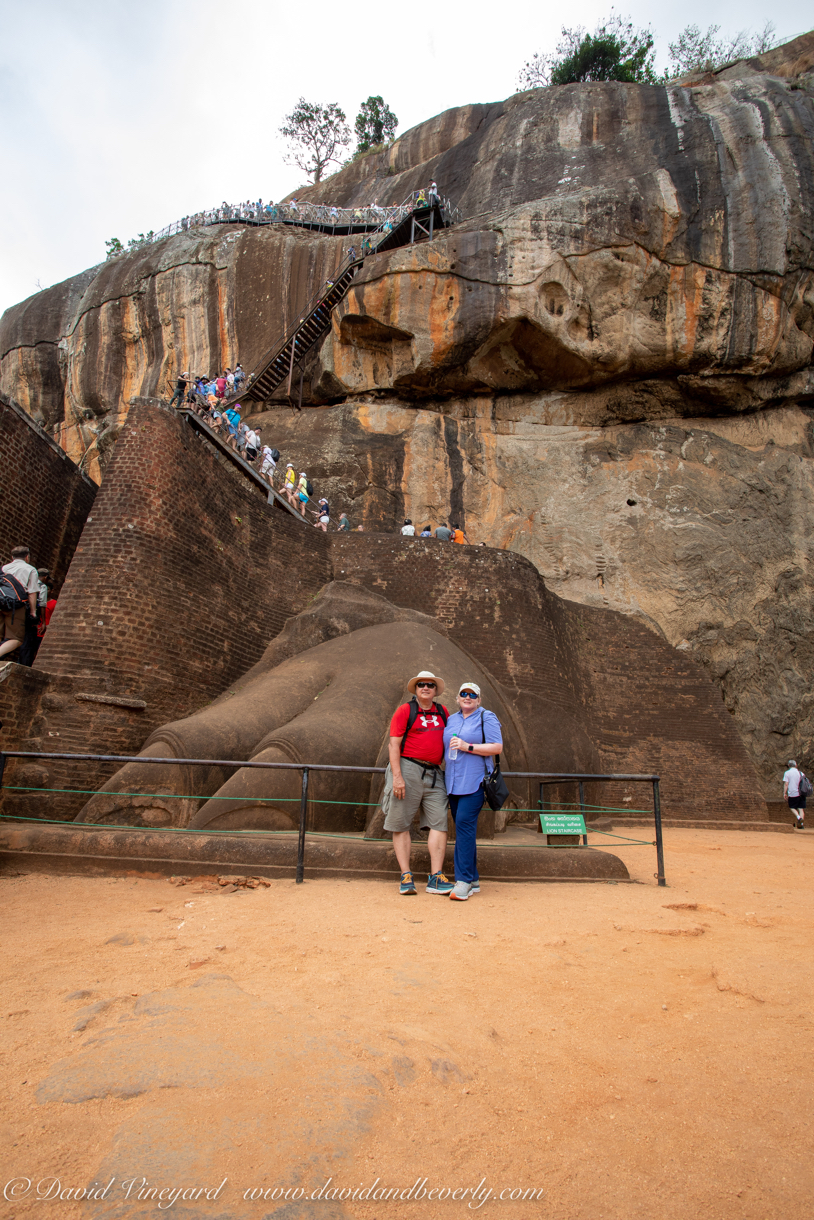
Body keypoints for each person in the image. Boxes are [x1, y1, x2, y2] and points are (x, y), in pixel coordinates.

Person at [383, 671, 454, 896]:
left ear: (435, 690)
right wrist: (397, 776)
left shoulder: (443, 711)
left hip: (434, 773)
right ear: (415, 689)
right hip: (408, 768)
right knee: (401, 822)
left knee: (440, 823)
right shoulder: (406, 710)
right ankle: (406, 875)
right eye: (421, 684)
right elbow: (394, 745)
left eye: (430, 685)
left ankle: (436, 876)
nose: (425, 687)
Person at [443, 682, 503, 900]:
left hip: (474, 781)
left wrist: (467, 746)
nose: (467, 697)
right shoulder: (452, 719)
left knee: (464, 827)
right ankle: (474, 878)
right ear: (457, 698)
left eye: (472, 694)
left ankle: (463, 881)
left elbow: (497, 747)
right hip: (453, 782)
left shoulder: (486, 717)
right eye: (463, 694)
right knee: (463, 828)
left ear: (478, 699)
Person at [0, 546, 39, 661]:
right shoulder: (30, 569)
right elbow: (32, 593)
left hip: (0, 602)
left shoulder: (3, 568)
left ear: (12, 557)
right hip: (16, 606)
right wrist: (33, 612)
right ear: (27, 557)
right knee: (16, 638)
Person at [783, 760, 807, 829]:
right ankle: (801, 825)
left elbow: (786, 784)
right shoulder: (801, 773)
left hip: (793, 793)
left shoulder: (787, 773)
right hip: (801, 793)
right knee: (801, 809)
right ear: (796, 765)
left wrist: (784, 793)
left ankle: (799, 818)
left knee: (792, 807)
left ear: (789, 765)